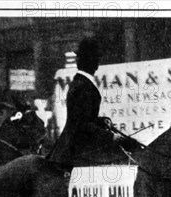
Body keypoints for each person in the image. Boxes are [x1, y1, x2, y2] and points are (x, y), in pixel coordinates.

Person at [48, 37, 129, 166]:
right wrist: (110, 137)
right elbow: (81, 124)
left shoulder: (81, 83)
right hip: (76, 147)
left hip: (78, 143)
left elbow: (84, 117)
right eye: (96, 58)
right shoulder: (82, 85)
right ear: (89, 61)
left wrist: (100, 121)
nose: (98, 63)